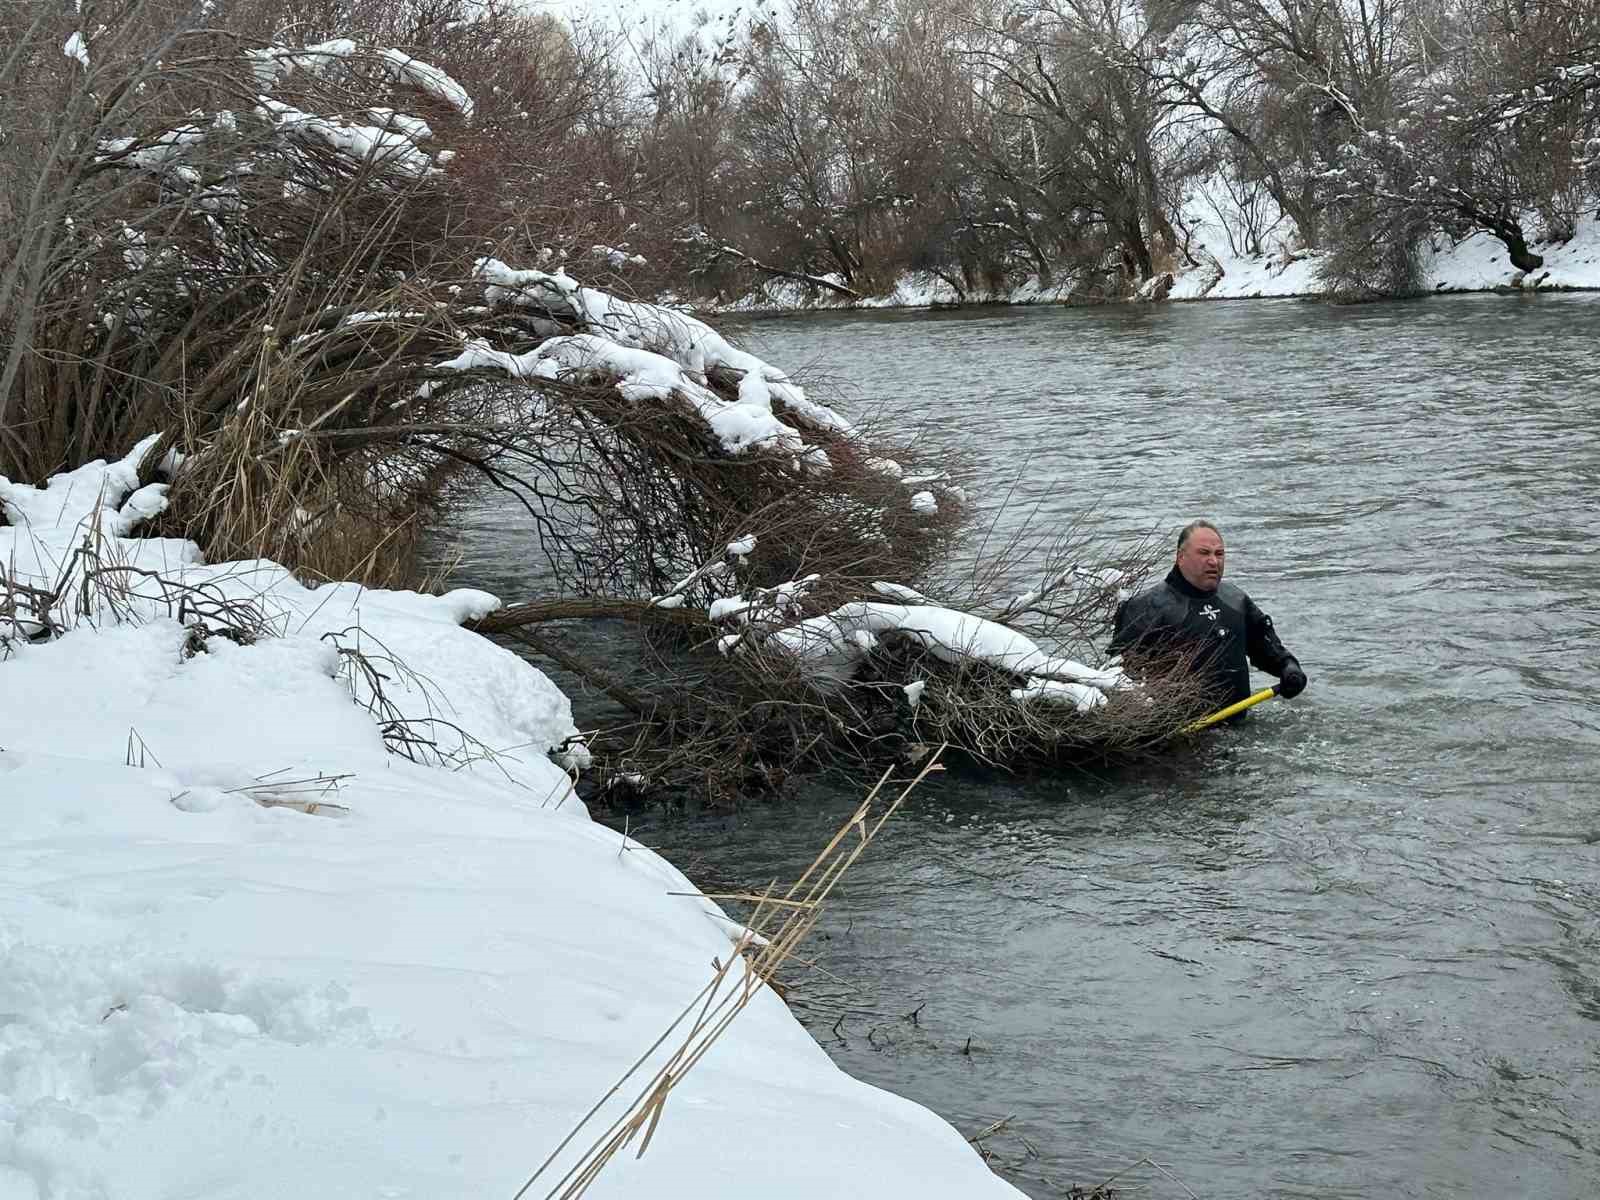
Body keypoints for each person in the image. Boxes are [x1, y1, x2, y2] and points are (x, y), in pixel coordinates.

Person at [1109, 520, 1307, 712]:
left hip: (1239, 728)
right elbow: (1119, 678)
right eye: (1204, 553)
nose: (1214, 561)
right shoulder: (1146, 607)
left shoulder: (1235, 599)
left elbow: (1265, 647)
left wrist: (1288, 667)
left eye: (1219, 554)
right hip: (1180, 732)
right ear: (1181, 557)